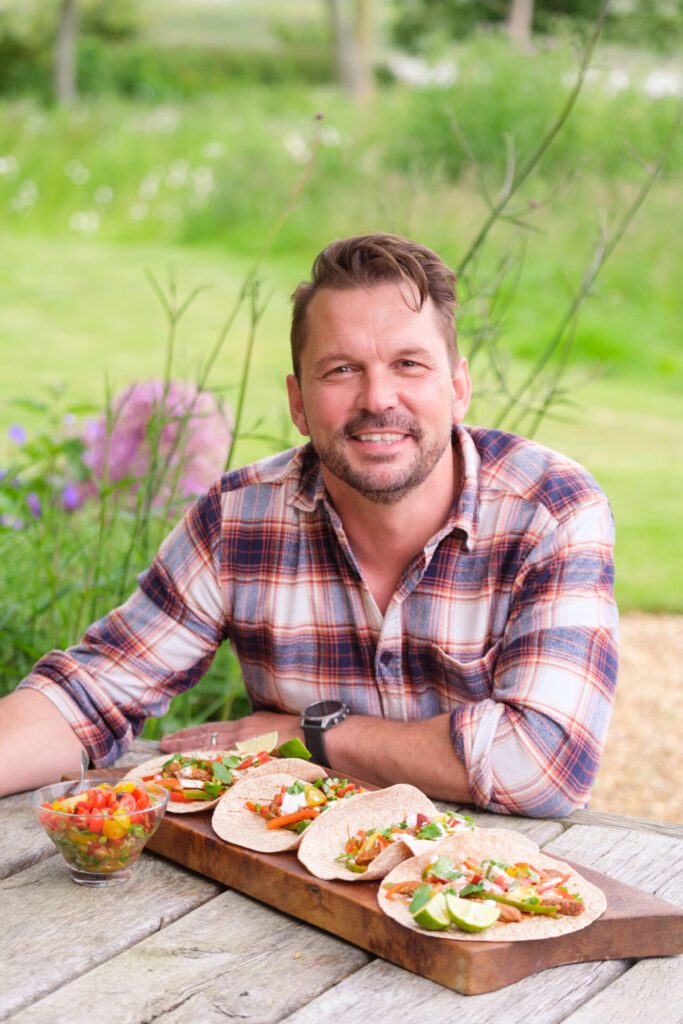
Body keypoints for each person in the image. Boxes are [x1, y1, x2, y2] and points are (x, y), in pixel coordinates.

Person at [0, 233, 618, 814]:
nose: (378, 398)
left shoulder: (551, 510)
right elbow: (90, 694)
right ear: (298, 402)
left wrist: (313, 734)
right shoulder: (238, 519)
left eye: (408, 363)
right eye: (341, 370)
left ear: (458, 388)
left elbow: (544, 762)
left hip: (499, 890)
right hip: (288, 881)